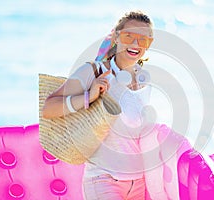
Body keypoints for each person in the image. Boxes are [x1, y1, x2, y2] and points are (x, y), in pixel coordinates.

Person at [42, 11, 154, 199]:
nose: (135, 44)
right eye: (129, 36)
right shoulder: (94, 71)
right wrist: (88, 96)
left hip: (138, 181)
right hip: (103, 179)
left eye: (143, 40)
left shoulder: (145, 78)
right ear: (117, 37)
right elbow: (49, 108)